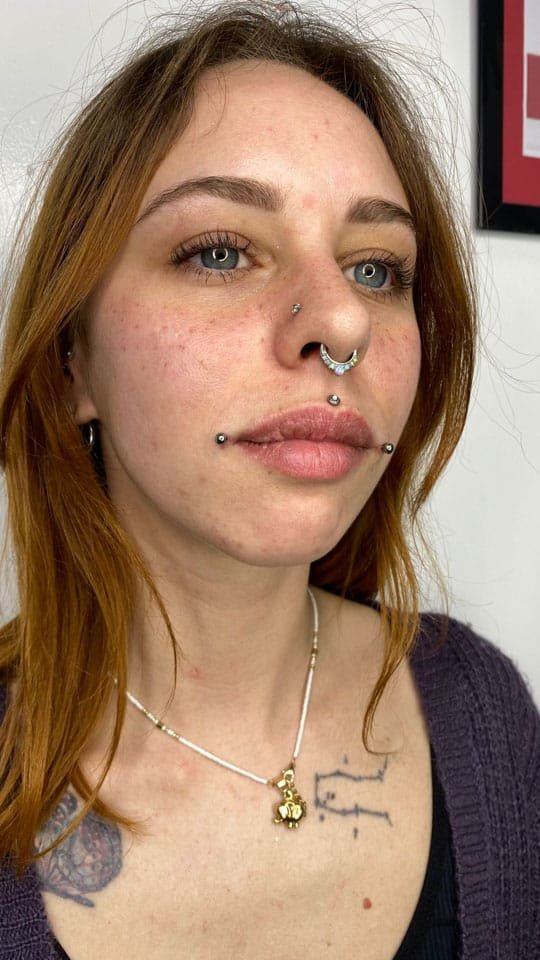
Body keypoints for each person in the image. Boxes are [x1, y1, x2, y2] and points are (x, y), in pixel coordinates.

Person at [0, 3, 538, 958]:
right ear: (73, 358)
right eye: (220, 251)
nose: (343, 322)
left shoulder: (483, 716)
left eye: (376, 269)